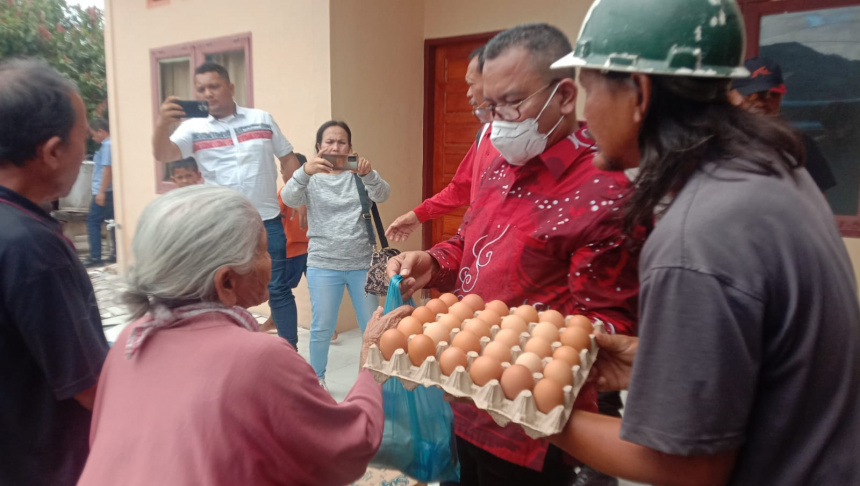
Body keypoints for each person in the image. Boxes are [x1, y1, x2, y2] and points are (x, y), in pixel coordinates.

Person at [548, 0, 860, 484]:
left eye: (590, 89)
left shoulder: (696, 238)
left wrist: (538, 410)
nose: (587, 116)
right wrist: (654, 361)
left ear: (639, 92)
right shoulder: (770, 170)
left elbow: (684, 468)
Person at [388, 24, 640, 486]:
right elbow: (470, 241)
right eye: (488, 106)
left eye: (512, 103)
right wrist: (435, 262)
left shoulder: (605, 190)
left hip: (530, 425)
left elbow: (608, 330)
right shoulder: (500, 161)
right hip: (466, 396)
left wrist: (523, 357)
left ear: (564, 95)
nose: (497, 119)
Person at [76, 185, 403, 486]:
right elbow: (349, 449)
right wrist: (371, 357)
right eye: (262, 251)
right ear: (226, 283)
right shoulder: (259, 358)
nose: (271, 261)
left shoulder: (131, 339)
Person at [0, 59, 109, 485]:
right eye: (84, 139)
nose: (90, 150)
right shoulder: (32, 250)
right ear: (52, 151)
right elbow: (91, 388)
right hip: (43, 464)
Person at [152, 61, 304, 349]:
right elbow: (164, 153)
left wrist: (298, 196)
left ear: (230, 87)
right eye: (201, 89)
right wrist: (162, 124)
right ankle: (238, 354)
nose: (207, 93)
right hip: (223, 227)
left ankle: (290, 355)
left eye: (214, 86)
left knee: (279, 290)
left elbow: (287, 158)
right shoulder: (193, 127)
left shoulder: (261, 119)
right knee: (227, 292)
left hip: (267, 222)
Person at [281, 121, 391, 390]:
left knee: (371, 327)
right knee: (322, 328)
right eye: (329, 142)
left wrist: (369, 174)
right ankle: (316, 381)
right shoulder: (310, 178)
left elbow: (383, 194)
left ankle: (372, 380)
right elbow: (289, 197)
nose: (335, 147)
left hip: (360, 264)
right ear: (319, 147)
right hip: (323, 264)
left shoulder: (359, 175)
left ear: (350, 147)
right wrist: (303, 172)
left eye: (341, 142)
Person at [385, 46, 492, 243]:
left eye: (471, 84)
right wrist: (419, 214)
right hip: (480, 250)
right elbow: (461, 188)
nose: (468, 94)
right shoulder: (485, 133)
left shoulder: (542, 146)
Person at [729, 56, 837, 193]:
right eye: (752, 95)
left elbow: (819, 204)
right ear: (732, 97)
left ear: (781, 99)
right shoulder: (717, 143)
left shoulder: (800, 145)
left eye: (772, 95)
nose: (762, 102)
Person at [260, 152, 310, 335]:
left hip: (305, 250)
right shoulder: (284, 193)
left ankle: (328, 326)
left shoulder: (308, 192)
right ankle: (274, 320)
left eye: (286, 170)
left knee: (283, 290)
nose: (283, 173)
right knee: (281, 289)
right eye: (281, 170)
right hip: (295, 251)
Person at [84, 118, 115, 267]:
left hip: (104, 191)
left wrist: (101, 192)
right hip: (107, 190)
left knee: (93, 222)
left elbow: (107, 169)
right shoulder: (106, 146)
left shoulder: (108, 145)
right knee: (111, 221)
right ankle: (115, 253)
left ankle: (95, 256)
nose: (93, 138)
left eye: (93, 134)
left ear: (101, 131)